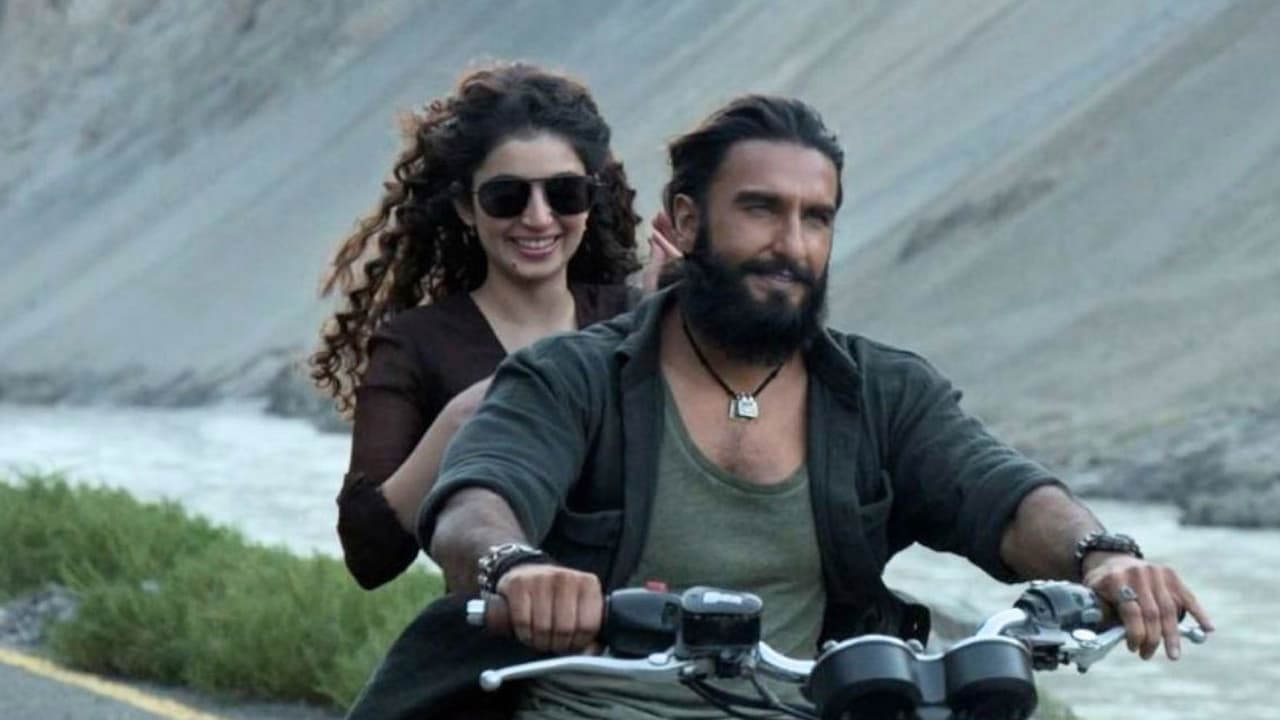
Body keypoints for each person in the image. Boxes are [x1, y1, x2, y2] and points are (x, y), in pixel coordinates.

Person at [351, 95, 1214, 719]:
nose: (791, 244)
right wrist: (514, 566)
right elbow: (477, 498)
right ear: (687, 221)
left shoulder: (880, 391)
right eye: (761, 210)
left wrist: (1101, 557)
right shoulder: (571, 377)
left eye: (816, 218)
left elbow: (1000, 491)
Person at [309, 62, 649, 590]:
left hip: (639, 626)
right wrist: (464, 417)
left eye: (564, 193)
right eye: (507, 197)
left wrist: (681, 304)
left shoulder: (637, 318)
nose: (538, 217)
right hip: (490, 627)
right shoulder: (415, 345)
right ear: (467, 207)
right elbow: (369, 557)